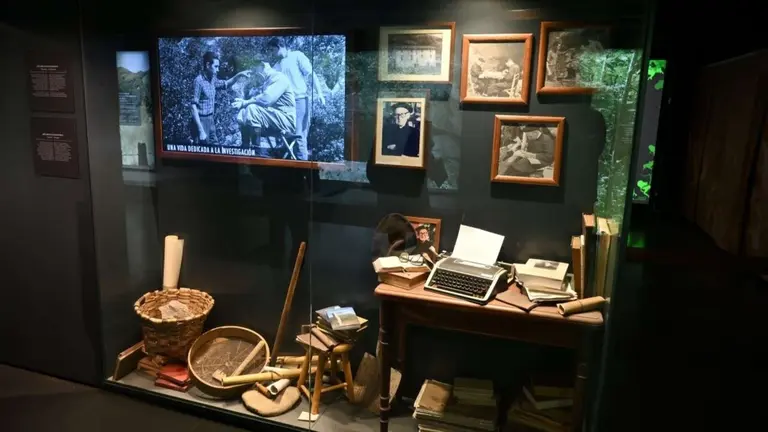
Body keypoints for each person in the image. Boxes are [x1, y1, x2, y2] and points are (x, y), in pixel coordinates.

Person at [267, 37, 326, 161]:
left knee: (299, 136)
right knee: (285, 137)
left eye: (272, 50)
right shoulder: (276, 67)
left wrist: (319, 93)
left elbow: (311, 74)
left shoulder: (296, 56)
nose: (271, 53)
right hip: (284, 106)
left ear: (279, 46)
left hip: (300, 101)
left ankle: (302, 168)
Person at [231, 61, 296, 155]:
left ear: (263, 66)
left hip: (286, 120)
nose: (256, 74)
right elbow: (260, 101)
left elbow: (267, 99)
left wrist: (245, 102)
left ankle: (256, 150)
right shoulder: (267, 81)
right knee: (244, 111)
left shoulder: (278, 77)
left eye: (256, 70)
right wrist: (243, 104)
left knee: (252, 109)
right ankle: (244, 148)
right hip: (273, 120)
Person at [190, 51, 250, 145]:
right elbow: (193, 108)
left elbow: (225, 84)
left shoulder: (213, 79)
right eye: (216, 66)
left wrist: (239, 75)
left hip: (211, 120)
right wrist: (201, 130)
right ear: (208, 65)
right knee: (202, 151)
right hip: (201, 121)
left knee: (215, 147)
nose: (218, 70)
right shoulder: (198, 81)